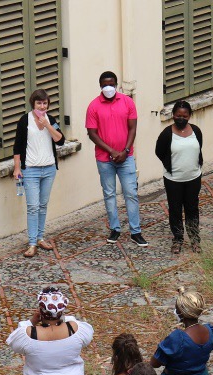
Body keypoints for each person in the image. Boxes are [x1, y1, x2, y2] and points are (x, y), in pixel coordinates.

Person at [85, 70, 147, 246]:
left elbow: (133, 128)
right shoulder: (93, 106)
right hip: (105, 159)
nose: (108, 87)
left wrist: (125, 150)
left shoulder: (127, 102)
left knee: (131, 193)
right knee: (109, 194)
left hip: (126, 157)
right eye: (105, 84)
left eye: (111, 84)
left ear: (116, 84)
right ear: (100, 86)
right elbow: (92, 133)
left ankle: (136, 231)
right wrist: (111, 151)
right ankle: (115, 228)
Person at [12, 88, 67, 259]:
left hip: (49, 169)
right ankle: (32, 243)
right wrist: (17, 168)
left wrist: (48, 126)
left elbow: (61, 140)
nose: (42, 106)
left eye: (45, 103)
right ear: (33, 104)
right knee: (33, 206)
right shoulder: (24, 121)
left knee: (43, 205)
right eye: (39, 103)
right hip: (31, 170)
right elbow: (17, 146)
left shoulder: (50, 120)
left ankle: (41, 237)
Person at [155, 100, 203, 254]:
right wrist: (171, 165)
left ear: (189, 116)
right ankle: (178, 239)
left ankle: (195, 240)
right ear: (173, 115)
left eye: (184, 116)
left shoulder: (196, 131)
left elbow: (198, 148)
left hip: (193, 178)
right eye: (178, 115)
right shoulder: (166, 134)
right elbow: (159, 152)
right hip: (173, 180)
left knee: (192, 209)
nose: (181, 118)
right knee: (175, 210)